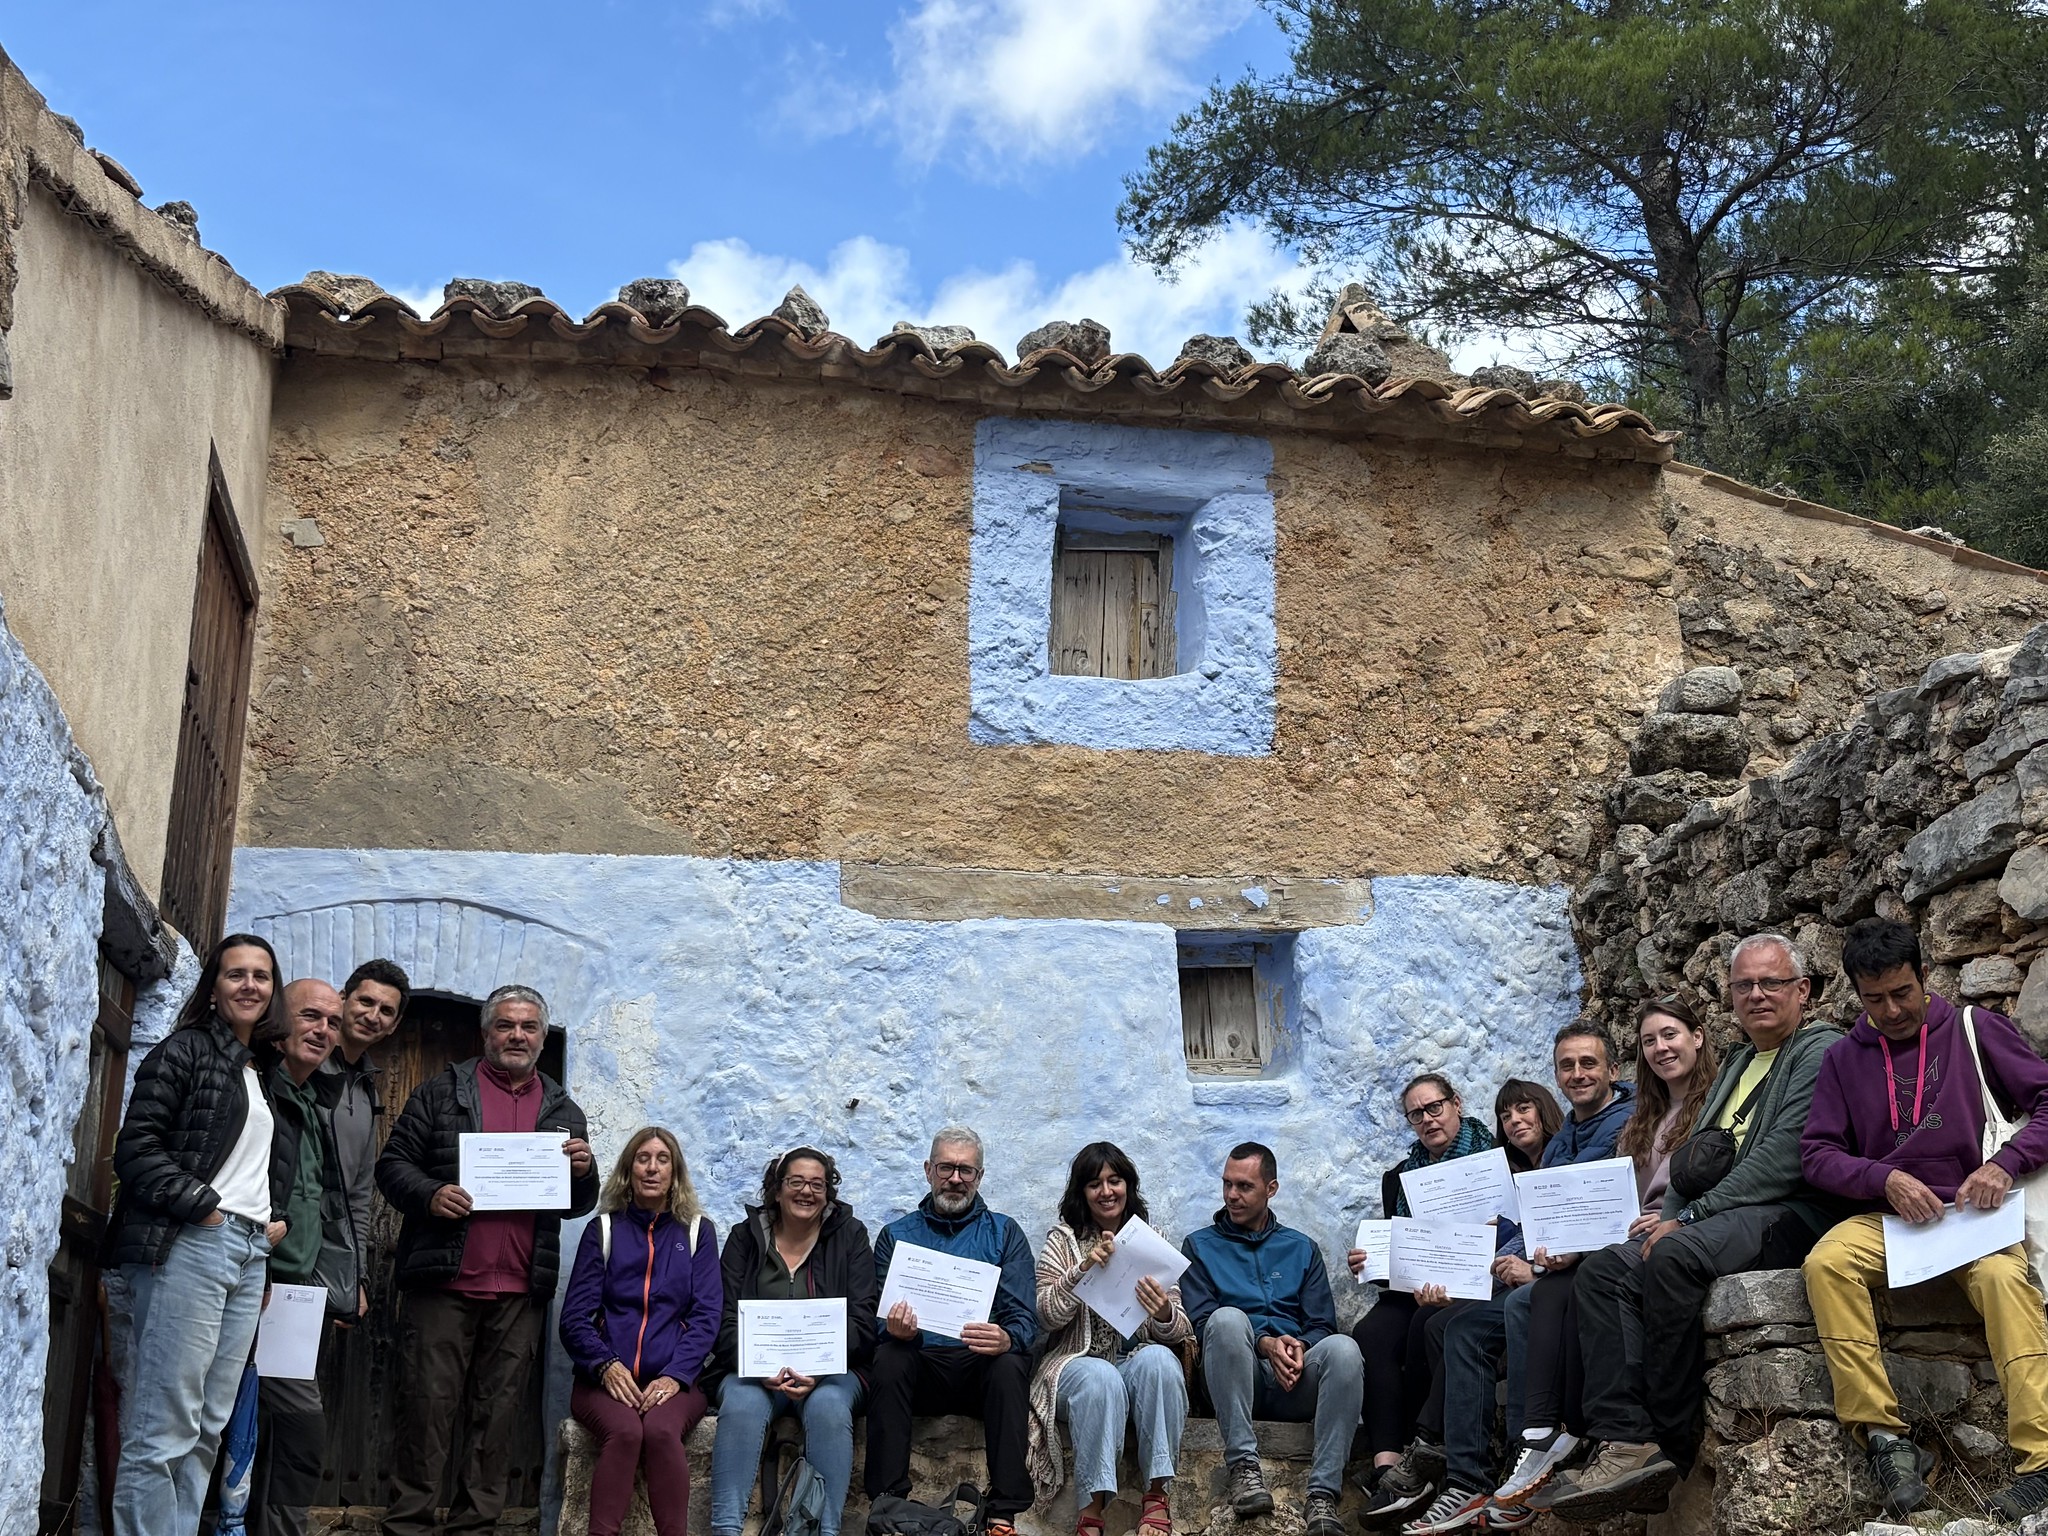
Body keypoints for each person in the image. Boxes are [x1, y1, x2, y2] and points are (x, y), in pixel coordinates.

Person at [1534, 933, 1841, 1521]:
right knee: (1602, 1272)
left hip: (1791, 1211)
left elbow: (1784, 1157)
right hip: (1720, 1212)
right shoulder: (1739, 1061)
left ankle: (1672, 1443)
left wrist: (1687, 1218)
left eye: (1770, 983)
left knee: (1672, 1257)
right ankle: (1625, 1438)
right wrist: (1672, 1211)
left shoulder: (1818, 1051)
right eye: (1743, 985)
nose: (1755, 995)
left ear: (1802, 990)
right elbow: (1696, 1154)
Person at [1801, 918, 2048, 1522]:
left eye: (1902, 993)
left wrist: (2004, 1164)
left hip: (1978, 1214)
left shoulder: (1976, 1028)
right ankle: (1885, 1440)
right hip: (1894, 1220)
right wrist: (1880, 1177)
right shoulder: (1841, 1058)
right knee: (1826, 1262)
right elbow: (1817, 1153)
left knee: (2002, 1283)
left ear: (1925, 976)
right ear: (1855, 993)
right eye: (1874, 999)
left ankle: (2041, 1462)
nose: (1890, 1010)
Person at [375, 984, 599, 1536]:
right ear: (486, 1033)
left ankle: (475, 1528)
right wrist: (430, 1194)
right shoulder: (441, 1092)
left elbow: (577, 1204)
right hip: (444, 1282)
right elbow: (392, 1165)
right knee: (426, 1412)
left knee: (494, 1421)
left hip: (521, 1290)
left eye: (527, 1027)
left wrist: (583, 1172)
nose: (516, 1036)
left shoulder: (563, 1108)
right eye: (505, 1025)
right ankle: (409, 1526)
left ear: (543, 1038)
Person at [1401, 1028, 1633, 1534]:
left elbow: (1604, 1212)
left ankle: (1526, 1452)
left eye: (1587, 1063)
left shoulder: (1628, 1125)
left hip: (1589, 1269)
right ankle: (1467, 1479)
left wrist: (1529, 1267)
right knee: (1454, 1328)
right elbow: (1531, 1225)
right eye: (1567, 1066)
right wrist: (1478, 1266)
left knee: (1520, 1304)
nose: (1578, 1074)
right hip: (1542, 1268)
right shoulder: (1563, 1142)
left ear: (1613, 1070)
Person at [1493, 999, 1716, 1516]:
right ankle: (1551, 1434)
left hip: (1659, 1236)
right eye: (1566, 1066)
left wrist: (1575, 1246)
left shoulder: (1685, 1107)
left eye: (1588, 1063)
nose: (1661, 1050)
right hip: (1624, 1235)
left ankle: (1578, 1434)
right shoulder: (1646, 1119)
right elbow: (1599, 1202)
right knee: (1533, 1296)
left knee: (1569, 1284)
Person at [108, 933, 288, 1536]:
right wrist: (202, 1207)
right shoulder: (183, 1051)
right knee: (164, 1427)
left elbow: (249, 1162)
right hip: (192, 1243)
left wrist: (269, 1221)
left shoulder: (258, 1072)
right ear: (212, 988)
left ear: (272, 990)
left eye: (261, 976)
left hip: (245, 1251)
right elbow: (135, 1150)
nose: (249, 985)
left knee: (210, 1425)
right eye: (235, 974)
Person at [866, 1127, 1039, 1536]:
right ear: (928, 1170)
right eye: (946, 1168)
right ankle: (888, 1504)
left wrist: (1007, 1338)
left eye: (966, 1170)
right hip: (919, 1363)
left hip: (979, 1369)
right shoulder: (896, 1236)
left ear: (979, 1177)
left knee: (1010, 1364)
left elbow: (1024, 1319)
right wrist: (893, 1330)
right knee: (888, 1356)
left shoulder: (1004, 1233)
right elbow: (871, 1319)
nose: (955, 1179)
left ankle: (1002, 1515)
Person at [1183, 1142, 1362, 1536]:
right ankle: (1245, 1469)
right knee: (1226, 1320)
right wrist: (1264, 1342)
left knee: (1345, 1349)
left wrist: (1298, 1348)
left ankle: (1323, 1495)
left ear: (1271, 1189)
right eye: (1227, 1184)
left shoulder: (1301, 1248)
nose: (1232, 1195)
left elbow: (1322, 1325)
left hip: (1293, 1381)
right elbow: (1199, 1325)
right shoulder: (1200, 1247)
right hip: (1233, 1378)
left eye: (1244, 1186)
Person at [706, 1147, 876, 1536]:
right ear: (777, 1189)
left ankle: (822, 1530)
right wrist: (758, 1367)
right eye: (796, 1182)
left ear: (828, 1192)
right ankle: (725, 1529)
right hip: (752, 1370)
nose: (807, 1192)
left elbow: (863, 1321)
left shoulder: (850, 1236)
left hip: (832, 1371)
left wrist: (818, 1368)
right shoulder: (745, 1238)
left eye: (817, 1184)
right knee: (742, 1403)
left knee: (830, 1406)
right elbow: (723, 1319)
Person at [1353, 1073, 1498, 1525]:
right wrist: (1370, 1261)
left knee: (1425, 1326)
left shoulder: (1494, 1160)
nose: (1428, 1120)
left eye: (1434, 1107)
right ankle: (1386, 1464)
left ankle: (1424, 1457)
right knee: (1371, 1334)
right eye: (1416, 1114)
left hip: (1476, 1285)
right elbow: (1399, 1253)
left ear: (1456, 1103)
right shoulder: (1398, 1177)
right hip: (1417, 1289)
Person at [561, 1127, 721, 1536]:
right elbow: (575, 1318)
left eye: (662, 1159)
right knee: (627, 1431)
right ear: (628, 1170)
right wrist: (605, 1365)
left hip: (677, 1380)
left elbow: (706, 1316)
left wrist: (674, 1374)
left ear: (675, 1172)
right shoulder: (604, 1231)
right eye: (643, 1159)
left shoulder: (697, 1232)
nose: (652, 1168)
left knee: (662, 1431)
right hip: (603, 1381)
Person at [1029, 1142, 1193, 1536]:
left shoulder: (1150, 1240)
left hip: (1131, 1361)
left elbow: (1181, 1328)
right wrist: (1080, 1271)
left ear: (1128, 1186)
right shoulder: (1063, 1240)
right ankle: (1092, 1510)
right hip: (1074, 1365)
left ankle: (1156, 1497)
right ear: (1081, 1193)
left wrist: (1162, 1312)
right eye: (1095, 1184)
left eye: (1115, 1181)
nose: (1106, 1191)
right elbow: (1046, 1315)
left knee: (1161, 1362)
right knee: (1101, 1377)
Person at [248, 979, 351, 1536]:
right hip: (247, 1280)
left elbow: (323, 1203)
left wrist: (336, 1279)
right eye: (310, 1016)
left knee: (296, 1432)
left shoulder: (313, 1100)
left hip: (292, 1297)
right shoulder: (256, 1088)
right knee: (226, 1424)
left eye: (333, 1023)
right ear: (278, 1022)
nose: (323, 1030)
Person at [317, 957, 410, 1319]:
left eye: (386, 1011)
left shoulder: (368, 1091)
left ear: (394, 1025)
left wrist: (355, 1276)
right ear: (343, 998)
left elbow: (357, 1192)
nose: (374, 1016)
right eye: (365, 1002)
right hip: (279, 1242)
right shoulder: (303, 1063)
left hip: (327, 1254)